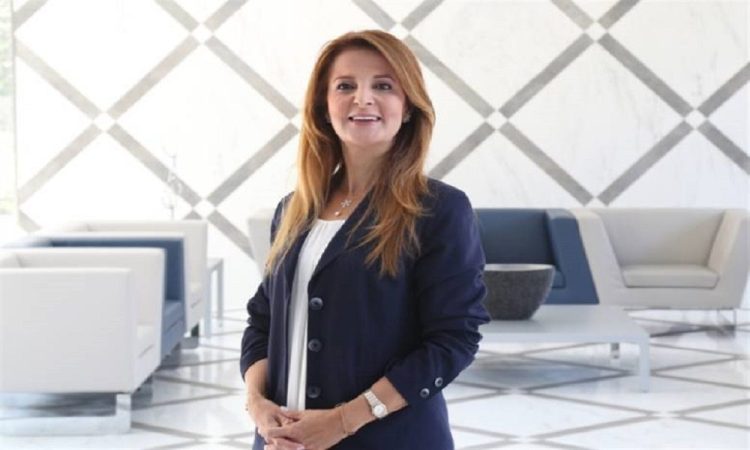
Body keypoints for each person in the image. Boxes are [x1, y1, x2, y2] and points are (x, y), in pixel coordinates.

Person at [240, 29, 489, 450]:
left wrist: (341, 422)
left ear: (408, 108)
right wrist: (258, 405)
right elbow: (262, 322)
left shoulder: (440, 210)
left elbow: (453, 341)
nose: (363, 99)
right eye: (345, 86)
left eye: (384, 86)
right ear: (324, 107)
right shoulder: (293, 210)